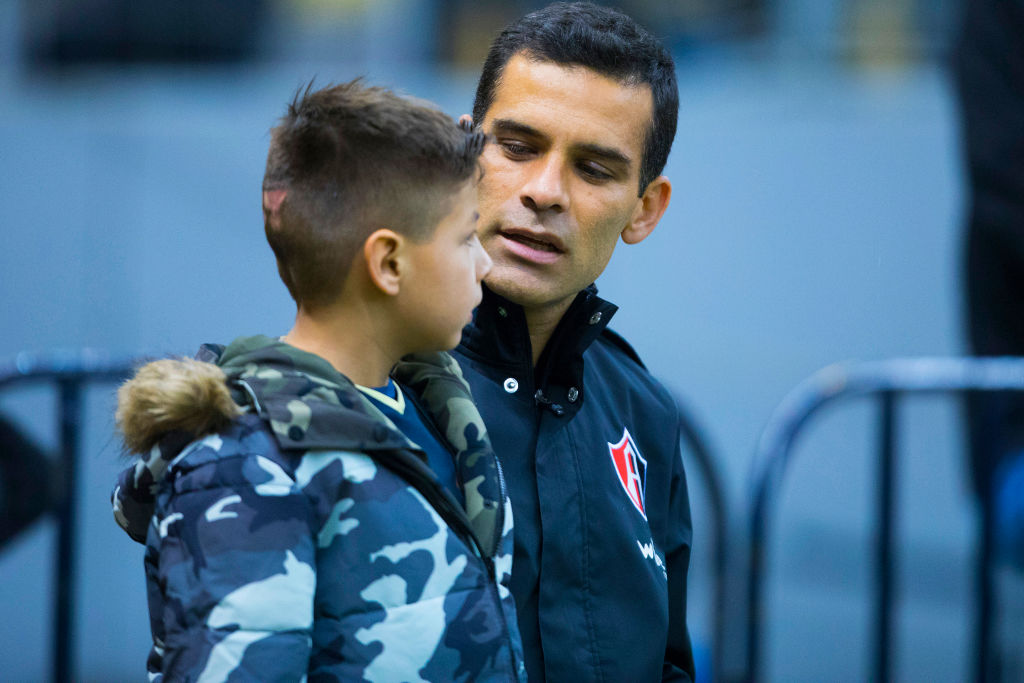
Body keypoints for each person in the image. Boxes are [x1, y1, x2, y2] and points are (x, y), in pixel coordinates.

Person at [111, 80, 526, 681]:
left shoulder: (434, 412)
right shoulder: (242, 467)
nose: (486, 264)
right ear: (388, 263)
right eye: (466, 238)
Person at [452, 3, 695, 680]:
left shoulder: (646, 415)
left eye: (593, 169)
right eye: (519, 147)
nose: (545, 191)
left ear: (644, 209)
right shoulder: (368, 382)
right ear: (465, 153)